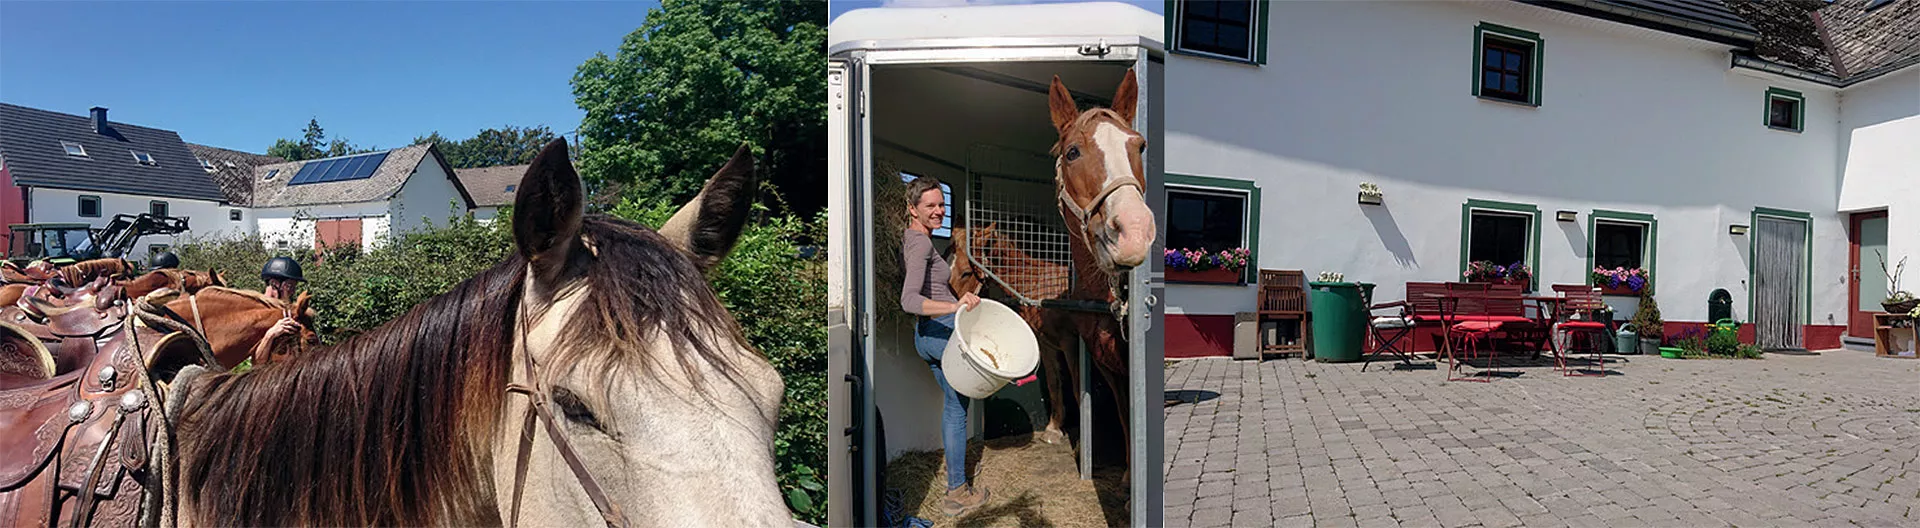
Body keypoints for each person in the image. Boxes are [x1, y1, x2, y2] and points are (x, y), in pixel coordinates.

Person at [898, 175, 990, 516]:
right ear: (912, 208)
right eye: (930, 206)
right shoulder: (921, 245)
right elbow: (909, 299)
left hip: (927, 337)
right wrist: (955, 307)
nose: (938, 211)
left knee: (954, 407)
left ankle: (956, 480)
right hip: (941, 334)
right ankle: (956, 492)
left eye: (941, 205)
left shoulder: (913, 239)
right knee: (956, 410)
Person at [252, 256, 306, 362]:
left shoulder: (288, 312)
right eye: (290, 286)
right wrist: (271, 334)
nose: (293, 291)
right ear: (275, 284)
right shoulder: (256, 314)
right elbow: (257, 361)